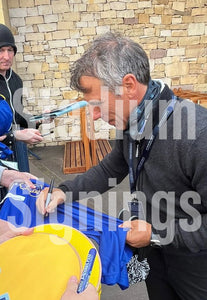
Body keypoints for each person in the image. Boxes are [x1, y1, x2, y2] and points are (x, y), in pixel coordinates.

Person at [36, 31, 207, 300]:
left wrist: (156, 233)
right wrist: (64, 192)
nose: (93, 114)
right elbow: (109, 170)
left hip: (197, 267)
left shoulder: (198, 135)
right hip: (154, 255)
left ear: (128, 85)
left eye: (96, 104)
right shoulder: (133, 123)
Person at [0, 23, 43, 172]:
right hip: (2, 152)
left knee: (23, 190)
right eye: (1, 50)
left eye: (10, 50)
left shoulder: (15, 80)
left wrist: (37, 120)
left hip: (17, 148)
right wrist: (14, 136)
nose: (6, 56)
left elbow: (18, 115)